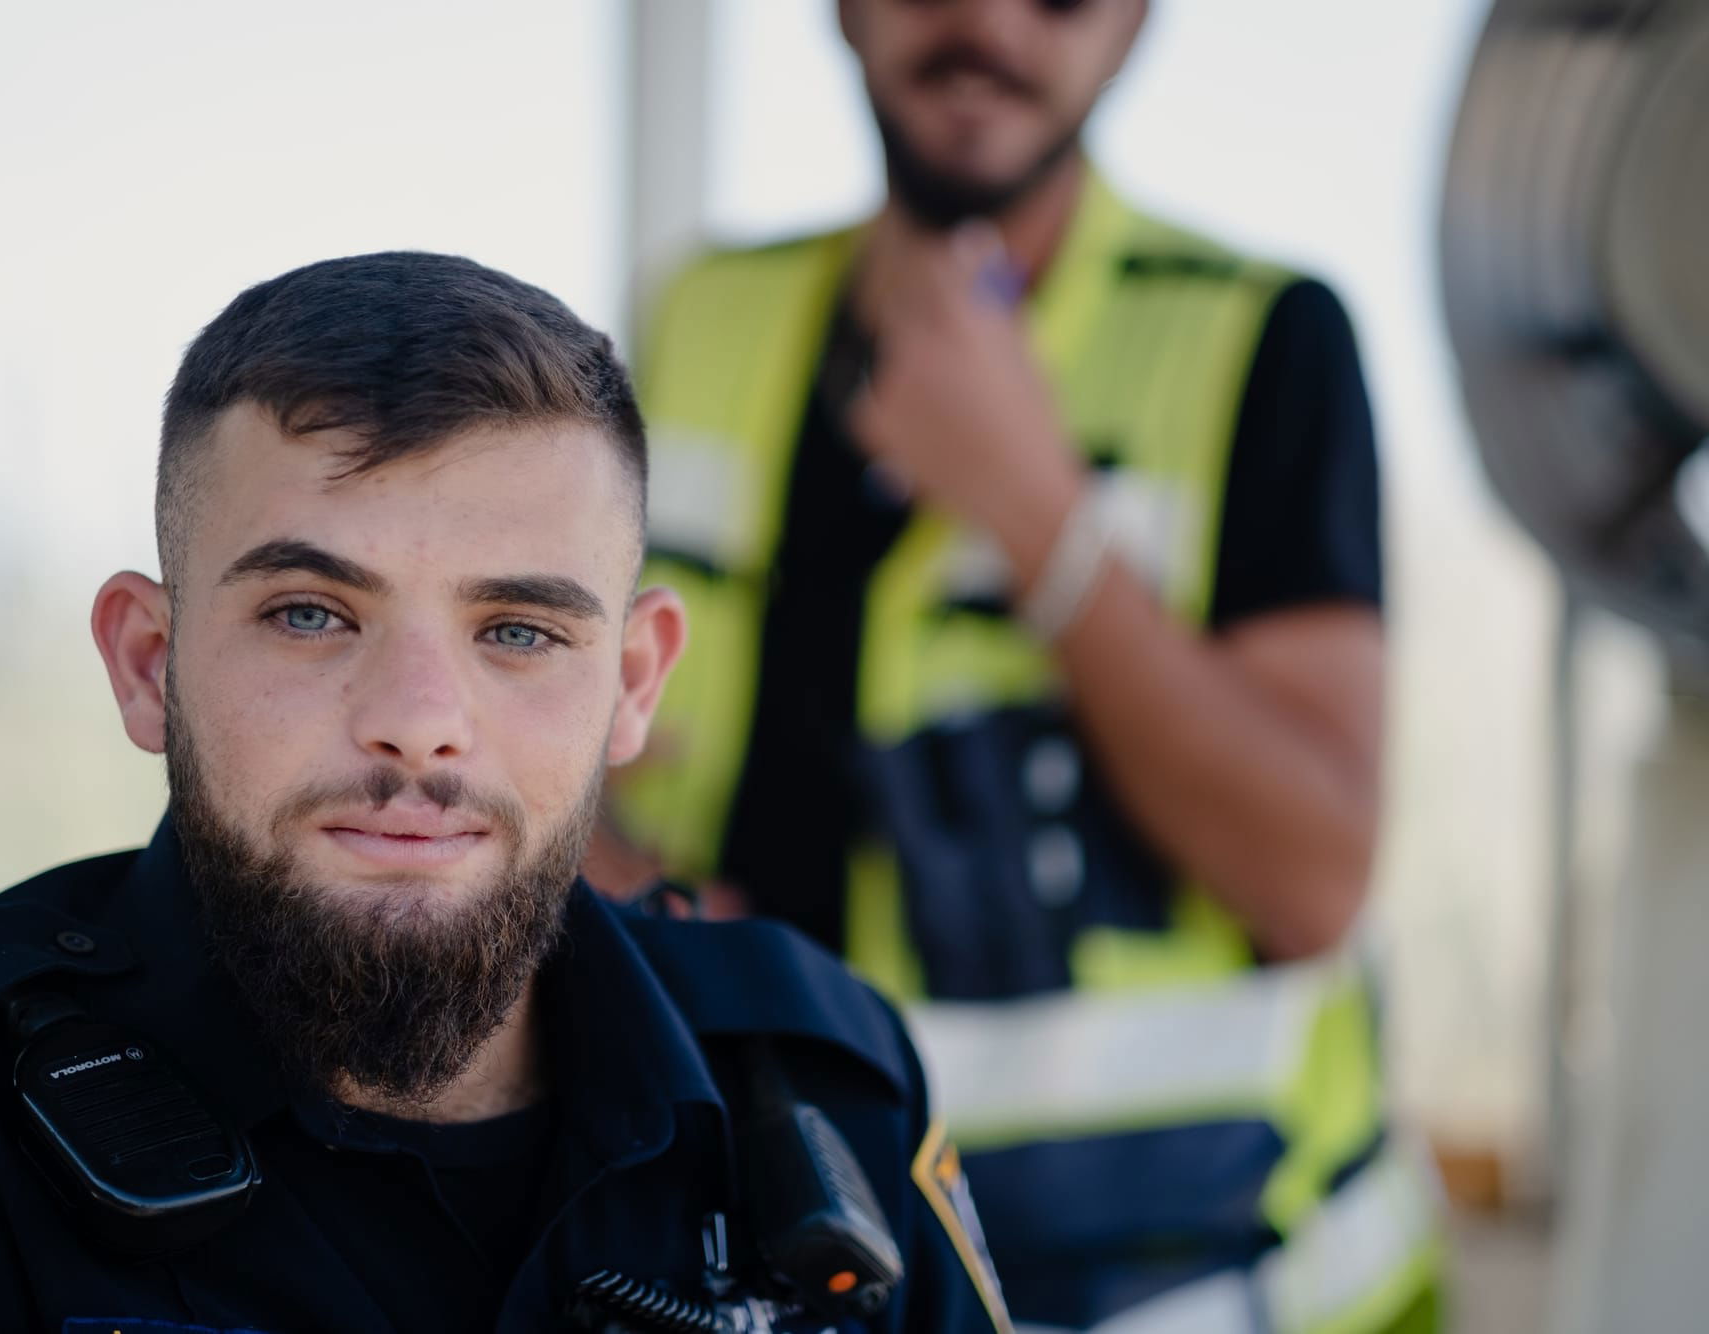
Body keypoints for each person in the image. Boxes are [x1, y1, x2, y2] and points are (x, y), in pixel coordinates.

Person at [0, 253, 1014, 1334]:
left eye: (517, 631)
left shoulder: (826, 1088)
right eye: (310, 612)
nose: (418, 725)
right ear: (150, 662)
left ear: (631, 680)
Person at [594, 1, 1443, 1330]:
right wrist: (635, 888)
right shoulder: (703, 313)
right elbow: (539, 719)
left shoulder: (1263, 338)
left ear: (1137, 23)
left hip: (1197, 1285)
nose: (986, 21)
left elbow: (1312, 872)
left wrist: (1033, 511)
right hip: (789, 1256)